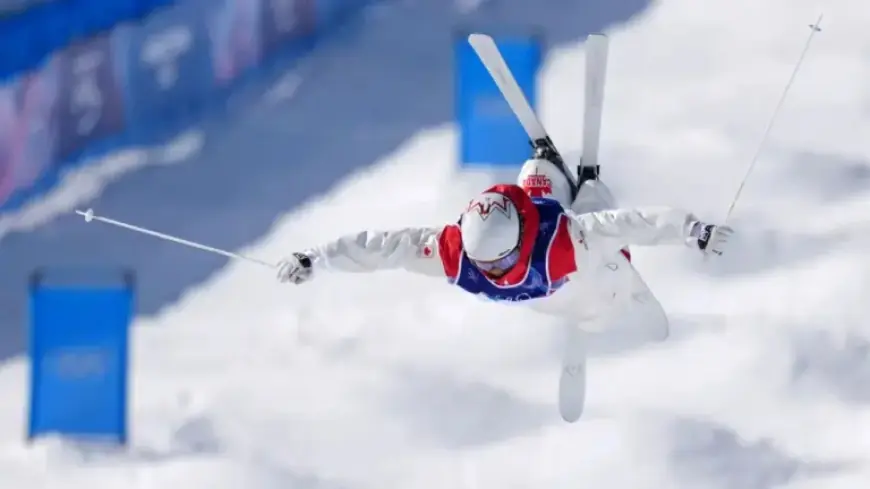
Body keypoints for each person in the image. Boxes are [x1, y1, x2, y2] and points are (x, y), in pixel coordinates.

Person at [275, 155, 733, 333]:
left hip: (580, 281)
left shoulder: (564, 242)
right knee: (537, 176)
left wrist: (692, 231)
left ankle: (585, 186)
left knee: (599, 223)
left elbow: (632, 223)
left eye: (500, 261)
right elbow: (383, 247)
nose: (491, 272)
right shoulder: (456, 254)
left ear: (522, 242)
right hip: (543, 298)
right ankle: (553, 171)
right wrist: (315, 258)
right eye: (484, 264)